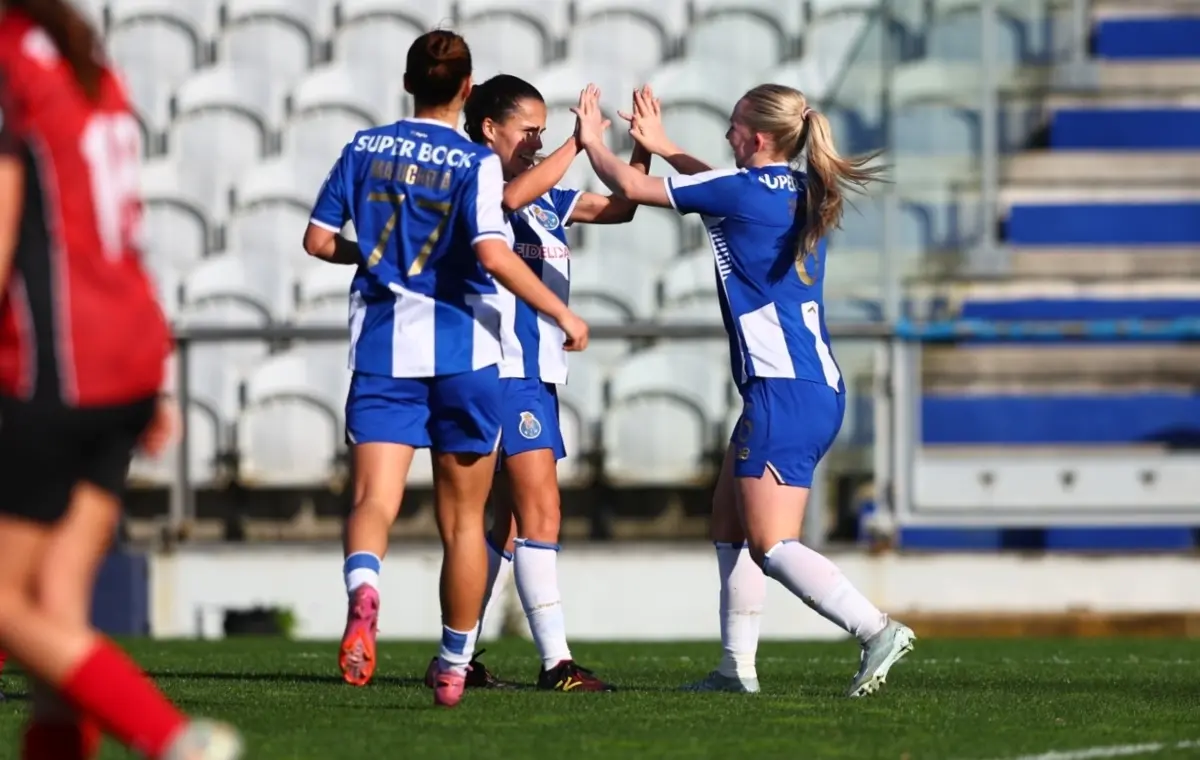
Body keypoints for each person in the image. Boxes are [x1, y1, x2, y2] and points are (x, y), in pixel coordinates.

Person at [572, 83, 916, 697]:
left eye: (733, 126)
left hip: (783, 388)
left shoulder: (744, 192)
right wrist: (666, 146)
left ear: (756, 138)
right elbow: (721, 190)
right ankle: (736, 669)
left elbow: (630, 189)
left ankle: (876, 629)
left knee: (770, 541)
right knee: (730, 524)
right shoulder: (798, 188)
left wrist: (595, 141)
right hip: (806, 384)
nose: (727, 135)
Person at [302, 30, 589, 708]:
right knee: (463, 523)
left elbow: (317, 240)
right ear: (466, 91)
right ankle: (455, 664)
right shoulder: (474, 161)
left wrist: (370, 259)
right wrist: (563, 312)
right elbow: (492, 253)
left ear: (408, 82)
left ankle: (364, 590)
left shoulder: (364, 148)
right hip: (465, 349)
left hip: (382, 345)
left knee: (373, 499)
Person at [0, 0, 244, 758]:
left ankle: (171, 737)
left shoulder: (9, 61)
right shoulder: (79, 56)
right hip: (124, 359)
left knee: (11, 605)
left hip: (55, 366)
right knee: (55, 611)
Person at [419, 76, 651, 693]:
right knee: (540, 511)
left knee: (509, 525)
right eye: (528, 131)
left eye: (543, 134)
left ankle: (458, 657)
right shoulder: (479, 181)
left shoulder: (549, 197)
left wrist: (640, 147)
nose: (536, 143)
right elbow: (514, 195)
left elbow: (622, 207)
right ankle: (556, 664)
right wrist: (578, 144)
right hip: (502, 368)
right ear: (489, 128)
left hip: (533, 371)